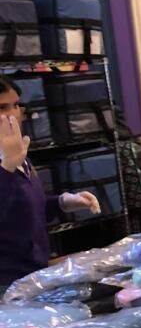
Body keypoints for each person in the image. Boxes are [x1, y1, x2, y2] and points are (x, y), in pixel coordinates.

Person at [0, 75, 100, 292]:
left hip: (33, 275)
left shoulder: (18, 153)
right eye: (2, 107)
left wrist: (63, 202)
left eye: (16, 105)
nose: (13, 114)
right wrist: (7, 167)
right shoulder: (11, 157)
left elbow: (26, 210)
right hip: (6, 284)